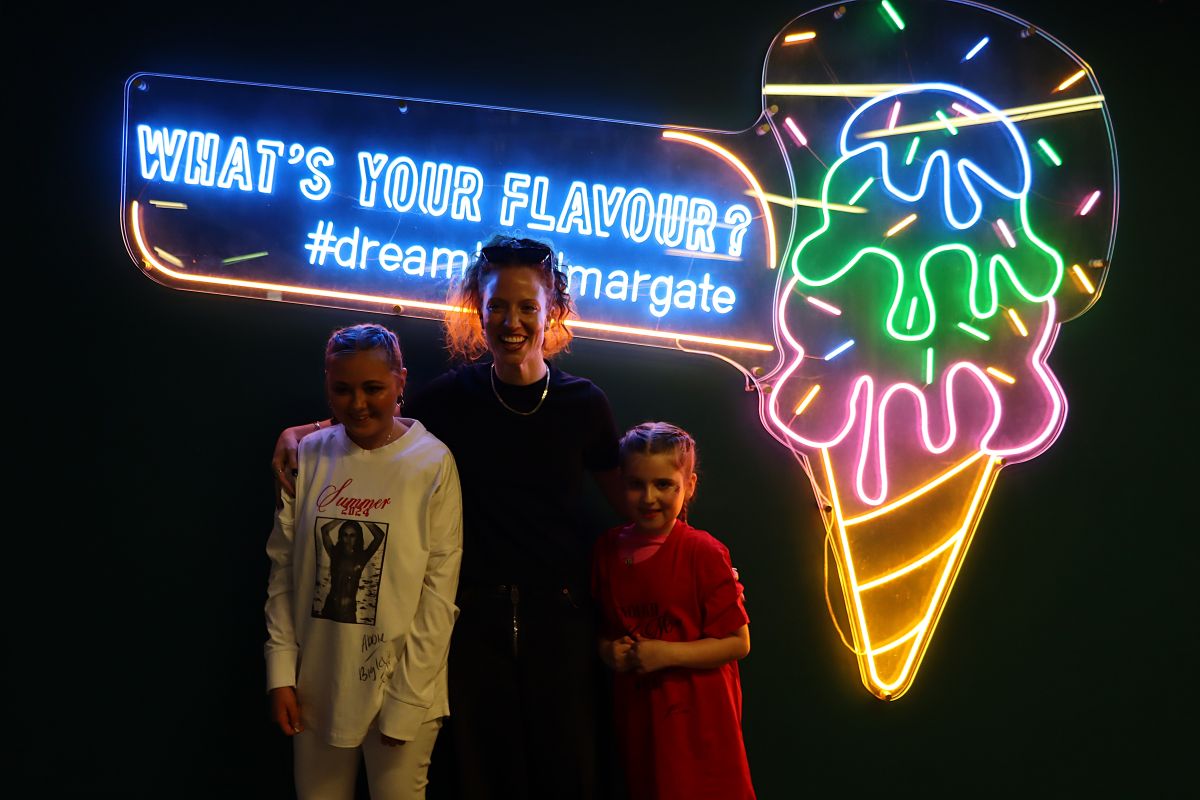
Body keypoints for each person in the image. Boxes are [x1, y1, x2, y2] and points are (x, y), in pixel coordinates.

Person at [272, 235, 623, 799]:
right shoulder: (445, 400)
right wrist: (303, 433)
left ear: (551, 310)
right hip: (472, 629)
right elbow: (373, 419)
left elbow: (629, 507)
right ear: (477, 310)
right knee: (481, 780)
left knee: (569, 776)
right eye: (497, 306)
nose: (512, 321)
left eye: (527, 306)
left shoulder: (586, 405)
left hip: (560, 625)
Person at [264, 323, 463, 799]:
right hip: (317, 686)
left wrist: (406, 701)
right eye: (342, 389)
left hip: (403, 688)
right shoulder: (307, 457)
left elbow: (438, 595)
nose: (357, 404)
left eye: (373, 388)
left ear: (401, 382)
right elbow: (283, 574)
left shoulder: (432, 464)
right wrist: (281, 675)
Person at [592, 422, 754, 800]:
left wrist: (666, 654)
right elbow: (603, 628)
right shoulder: (606, 551)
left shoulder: (704, 552)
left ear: (689, 486)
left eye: (664, 484)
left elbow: (737, 642)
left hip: (701, 727)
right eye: (636, 484)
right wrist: (607, 651)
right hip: (641, 723)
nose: (649, 497)